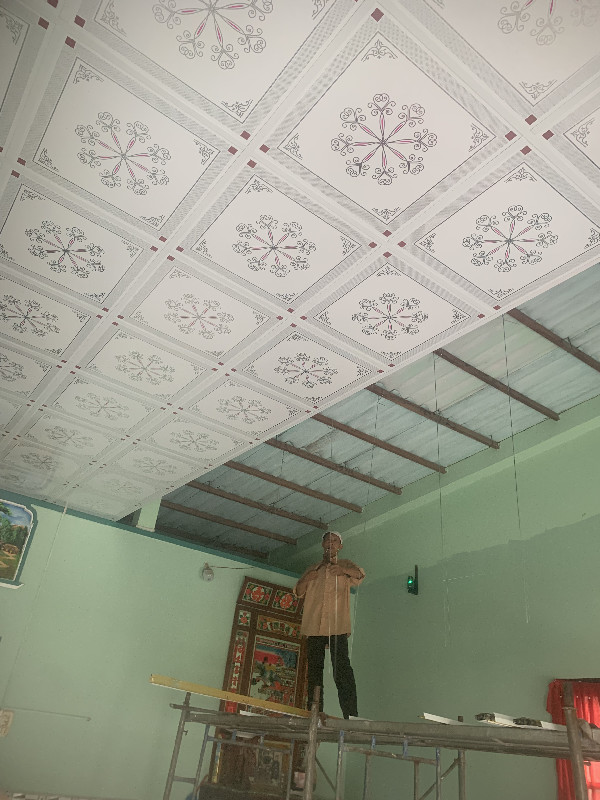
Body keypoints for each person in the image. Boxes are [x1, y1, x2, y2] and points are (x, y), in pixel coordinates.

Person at [294, 531, 365, 719]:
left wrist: (343, 571)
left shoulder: (345, 565)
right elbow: (298, 591)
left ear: (340, 546)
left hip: (337, 626)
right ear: (322, 544)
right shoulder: (313, 569)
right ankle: (315, 712)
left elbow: (360, 576)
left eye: (335, 541)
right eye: (327, 540)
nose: (331, 544)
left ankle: (351, 716)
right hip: (314, 627)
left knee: (342, 670)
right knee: (314, 671)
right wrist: (306, 579)